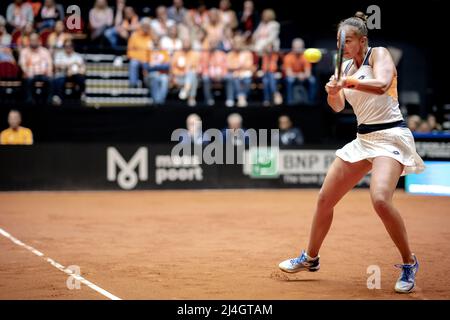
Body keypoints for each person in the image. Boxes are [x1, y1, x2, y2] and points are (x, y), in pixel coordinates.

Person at [278, 12, 425, 294]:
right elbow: (336, 107)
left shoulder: (379, 54)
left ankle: (409, 262)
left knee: (380, 199)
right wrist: (332, 91)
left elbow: (382, 85)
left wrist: (346, 84)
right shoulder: (343, 67)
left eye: (348, 40)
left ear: (362, 41)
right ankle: (311, 258)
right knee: (325, 199)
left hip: (391, 135)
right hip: (363, 139)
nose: (343, 44)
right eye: (339, 40)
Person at [19, 33, 54, 105]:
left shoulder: (45, 51)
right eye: (32, 40)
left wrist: (49, 72)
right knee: (28, 80)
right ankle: (29, 101)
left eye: (35, 40)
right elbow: (22, 65)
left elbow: (50, 64)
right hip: (30, 74)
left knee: (51, 80)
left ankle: (49, 101)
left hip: (43, 74)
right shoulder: (24, 51)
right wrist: (27, 72)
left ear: (39, 41)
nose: (33, 42)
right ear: (29, 41)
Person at [283, 38, 318, 105]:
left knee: (312, 80)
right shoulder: (288, 57)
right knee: (289, 80)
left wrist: (303, 75)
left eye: (300, 47)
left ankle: (311, 102)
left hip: (303, 76)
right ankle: (289, 102)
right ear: (293, 47)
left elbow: (308, 73)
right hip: (293, 77)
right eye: (296, 47)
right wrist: (298, 75)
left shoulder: (305, 57)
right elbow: (288, 73)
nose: (298, 49)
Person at [52, 39, 86, 105]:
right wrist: (69, 66)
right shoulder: (59, 55)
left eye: (70, 46)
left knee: (80, 78)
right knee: (58, 80)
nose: (68, 47)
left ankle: (82, 96)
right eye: (66, 46)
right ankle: (58, 97)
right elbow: (56, 66)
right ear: (64, 46)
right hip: (62, 74)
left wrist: (74, 71)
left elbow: (83, 69)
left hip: (74, 74)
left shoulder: (78, 56)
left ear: (73, 46)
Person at [127, 17, 154, 88]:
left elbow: (154, 51)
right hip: (137, 58)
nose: (146, 28)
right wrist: (140, 59)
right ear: (141, 26)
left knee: (150, 65)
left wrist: (148, 60)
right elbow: (130, 51)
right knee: (133, 63)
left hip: (149, 59)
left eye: (147, 26)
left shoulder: (152, 36)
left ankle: (147, 84)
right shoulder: (134, 35)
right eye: (144, 26)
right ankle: (133, 84)